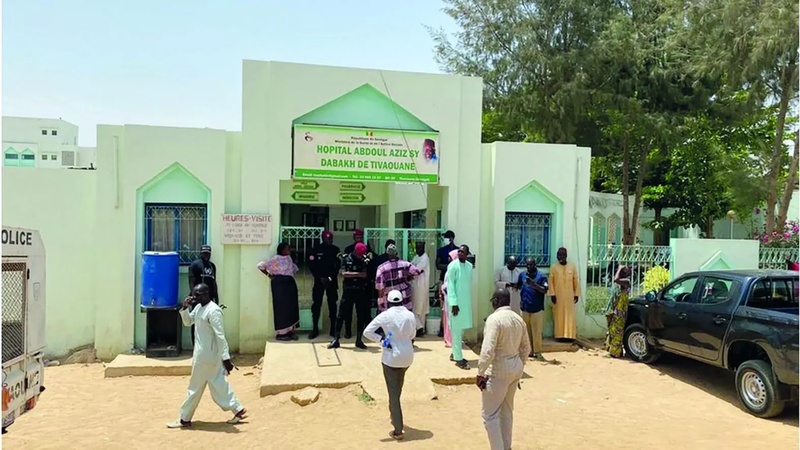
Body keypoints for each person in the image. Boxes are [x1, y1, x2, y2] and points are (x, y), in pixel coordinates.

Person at [167, 284, 246, 428]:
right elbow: (187, 322)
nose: (194, 297)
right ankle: (238, 408)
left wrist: (226, 358)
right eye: (193, 294)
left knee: (194, 388)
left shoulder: (214, 311)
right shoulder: (198, 308)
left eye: (197, 294)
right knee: (218, 383)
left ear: (206, 294)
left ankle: (184, 419)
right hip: (205, 355)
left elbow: (220, 336)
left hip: (205, 357)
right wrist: (185, 308)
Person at [477, 287, 531, 450]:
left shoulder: (494, 320)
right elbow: (526, 348)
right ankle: (506, 447)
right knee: (506, 412)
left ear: (495, 302)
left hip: (498, 370)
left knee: (490, 415)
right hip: (515, 368)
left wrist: (480, 373)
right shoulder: (518, 318)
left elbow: (487, 350)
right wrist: (520, 366)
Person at [363, 289, 417, 441]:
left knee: (393, 395)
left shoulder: (385, 315)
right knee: (398, 389)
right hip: (408, 356)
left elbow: (367, 331)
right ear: (401, 300)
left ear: (388, 302)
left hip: (391, 358)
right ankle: (394, 415)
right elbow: (413, 334)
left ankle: (398, 430)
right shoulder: (409, 315)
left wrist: (381, 340)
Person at [329, 242, 372, 350]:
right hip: (348, 291)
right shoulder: (346, 258)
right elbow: (344, 274)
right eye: (359, 254)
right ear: (355, 251)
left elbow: (365, 274)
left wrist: (352, 274)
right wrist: (358, 274)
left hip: (360, 291)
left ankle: (359, 340)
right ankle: (336, 339)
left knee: (360, 316)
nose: (360, 256)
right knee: (341, 315)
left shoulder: (364, 259)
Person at [257, 242, 300, 341]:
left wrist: (295, 258)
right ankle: (281, 334)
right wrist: (270, 276)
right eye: (287, 248)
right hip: (279, 285)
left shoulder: (289, 258)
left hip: (289, 284)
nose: (288, 250)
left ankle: (290, 331)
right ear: (282, 250)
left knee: (291, 306)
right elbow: (260, 266)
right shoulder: (275, 259)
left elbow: (294, 269)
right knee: (281, 308)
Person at [308, 230, 341, 339]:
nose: (330, 240)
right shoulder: (315, 250)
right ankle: (315, 328)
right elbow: (312, 266)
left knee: (332, 305)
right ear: (323, 238)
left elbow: (337, 266)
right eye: (328, 238)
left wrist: (330, 278)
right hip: (319, 282)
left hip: (331, 282)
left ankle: (333, 329)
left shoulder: (336, 250)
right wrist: (320, 278)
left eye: (331, 238)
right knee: (316, 305)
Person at [447, 244, 474, 370]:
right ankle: (458, 358)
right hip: (456, 304)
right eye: (459, 251)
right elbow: (450, 285)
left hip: (465, 303)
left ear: (467, 254)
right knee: (456, 330)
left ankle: (454, 352)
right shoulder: (452, 266)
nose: (460, 253)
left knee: (461, 329)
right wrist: (453, 303)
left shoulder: (469, 266)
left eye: (463, 252)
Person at [344, 229, 375, 337]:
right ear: (354, 238)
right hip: (349, 285)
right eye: (357, 238)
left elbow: (371, 265)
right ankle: (348, 331)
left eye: (361, 238)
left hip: (364, 284)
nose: (359, 240)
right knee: (347, 310)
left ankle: (363, 330)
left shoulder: (367, 250)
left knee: (363, 309)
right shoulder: (348, 249)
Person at [375, 244, 422, 313]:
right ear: (397, 253)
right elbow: (417, 272)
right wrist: (408, 279)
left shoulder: (381, 268)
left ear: (387, 254)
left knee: (390, 318)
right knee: (405, 316)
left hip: (389, 297)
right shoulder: (405, 264)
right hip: (404, 296)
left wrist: (381, 299)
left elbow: (380, 287)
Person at [517, 258, 548, 360]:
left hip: (537, 309)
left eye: (531, 265)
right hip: (524, 308)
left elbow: (544, 290)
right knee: (526, 332)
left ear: (535, 265)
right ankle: (528, 351)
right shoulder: (522, 275)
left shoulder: (542, 276)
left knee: (536, 332)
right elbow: (519, 286)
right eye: (527, 265)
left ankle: (537, 352)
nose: (529, 267)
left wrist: (533, 284)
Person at [188, 245, 220, 345]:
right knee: (195, 322)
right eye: (204, 253)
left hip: (209, 300)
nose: (206, 255)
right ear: (200, 253)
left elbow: (214, 282)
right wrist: (194, 296)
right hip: (198, 300)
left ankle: (208, 345)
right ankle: (195, 346)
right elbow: (191, 281)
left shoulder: (212, 266)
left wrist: (216, 297)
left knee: (210, 322)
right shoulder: (195, 265)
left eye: (208, 253)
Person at [548, 247, 581, 342]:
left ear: (566, 256)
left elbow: (576, 281)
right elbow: (551, 282)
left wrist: (576, 294)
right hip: (558, 296)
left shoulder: (572, 266)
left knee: (570, 316)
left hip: (569, 296)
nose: (560, 257)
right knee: (559, 315)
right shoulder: (554, 267)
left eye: (562, 255)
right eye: (558, 255)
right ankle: (560, 336)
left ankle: (569, 336)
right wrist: (552, 294)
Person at [435, 230, 458, 337]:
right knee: (443, 305)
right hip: (443, 279)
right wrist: (450, 266)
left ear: (451, 238)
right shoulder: (441, 250)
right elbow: (438, 265)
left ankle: (454, 328)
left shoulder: (458, 250)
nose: (444, 239)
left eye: (446, 237)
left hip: (456, 281)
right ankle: (442, 327)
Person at [606, 266, 631, 358]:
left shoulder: (626, 281)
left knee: (617, 331)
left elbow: (616, 279)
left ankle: (616, 352)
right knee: (612, 330)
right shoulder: (619, 283)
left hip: (620, 311)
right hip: (615, 309)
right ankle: (614, 350)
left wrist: (620, 268)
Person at [410, 241, 431, 336]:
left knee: (420, 308)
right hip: (415, 286)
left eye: (419, 248)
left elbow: (415, 270)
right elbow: (410, 266)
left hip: (421, 287)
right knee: (415, 307)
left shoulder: (424, 258)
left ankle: (420, 328)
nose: (417, 250)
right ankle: (419, 328)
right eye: (416, 248)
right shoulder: (417, 256)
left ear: (423, 248)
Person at [440, 249, 459, 349]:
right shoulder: (450, 269)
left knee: (452, 319)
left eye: (450, 257)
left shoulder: (455, 270)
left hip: (451, 298)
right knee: (447, 318)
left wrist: (444, 288)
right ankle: (448, 338)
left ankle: (452, 340)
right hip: (447, 297)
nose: (448, 259)